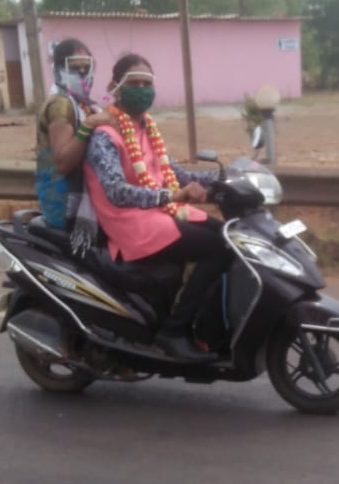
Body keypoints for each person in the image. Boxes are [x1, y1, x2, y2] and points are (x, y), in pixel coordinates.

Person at [84, 53, 231, 362]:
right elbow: (117, 192)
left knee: (232, 237)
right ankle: (174, 332)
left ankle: (208, 327)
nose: (142, 89)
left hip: (161, 214)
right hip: (132, 224)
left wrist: (225, 177)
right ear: (115, 87)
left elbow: (175, 175)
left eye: (146, 83)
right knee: (218, 248)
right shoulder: (105, 135)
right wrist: (173, 196)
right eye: (134, 83)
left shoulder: (145, 127)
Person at [35, 38, 111, 227]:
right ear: (58, 70)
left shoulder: (85, 104)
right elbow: (63, 162)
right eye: (75, 68)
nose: (83, 73)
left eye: (87, 68)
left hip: (90, 195)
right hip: (65, 199)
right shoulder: (61, 104)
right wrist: (88, 126)